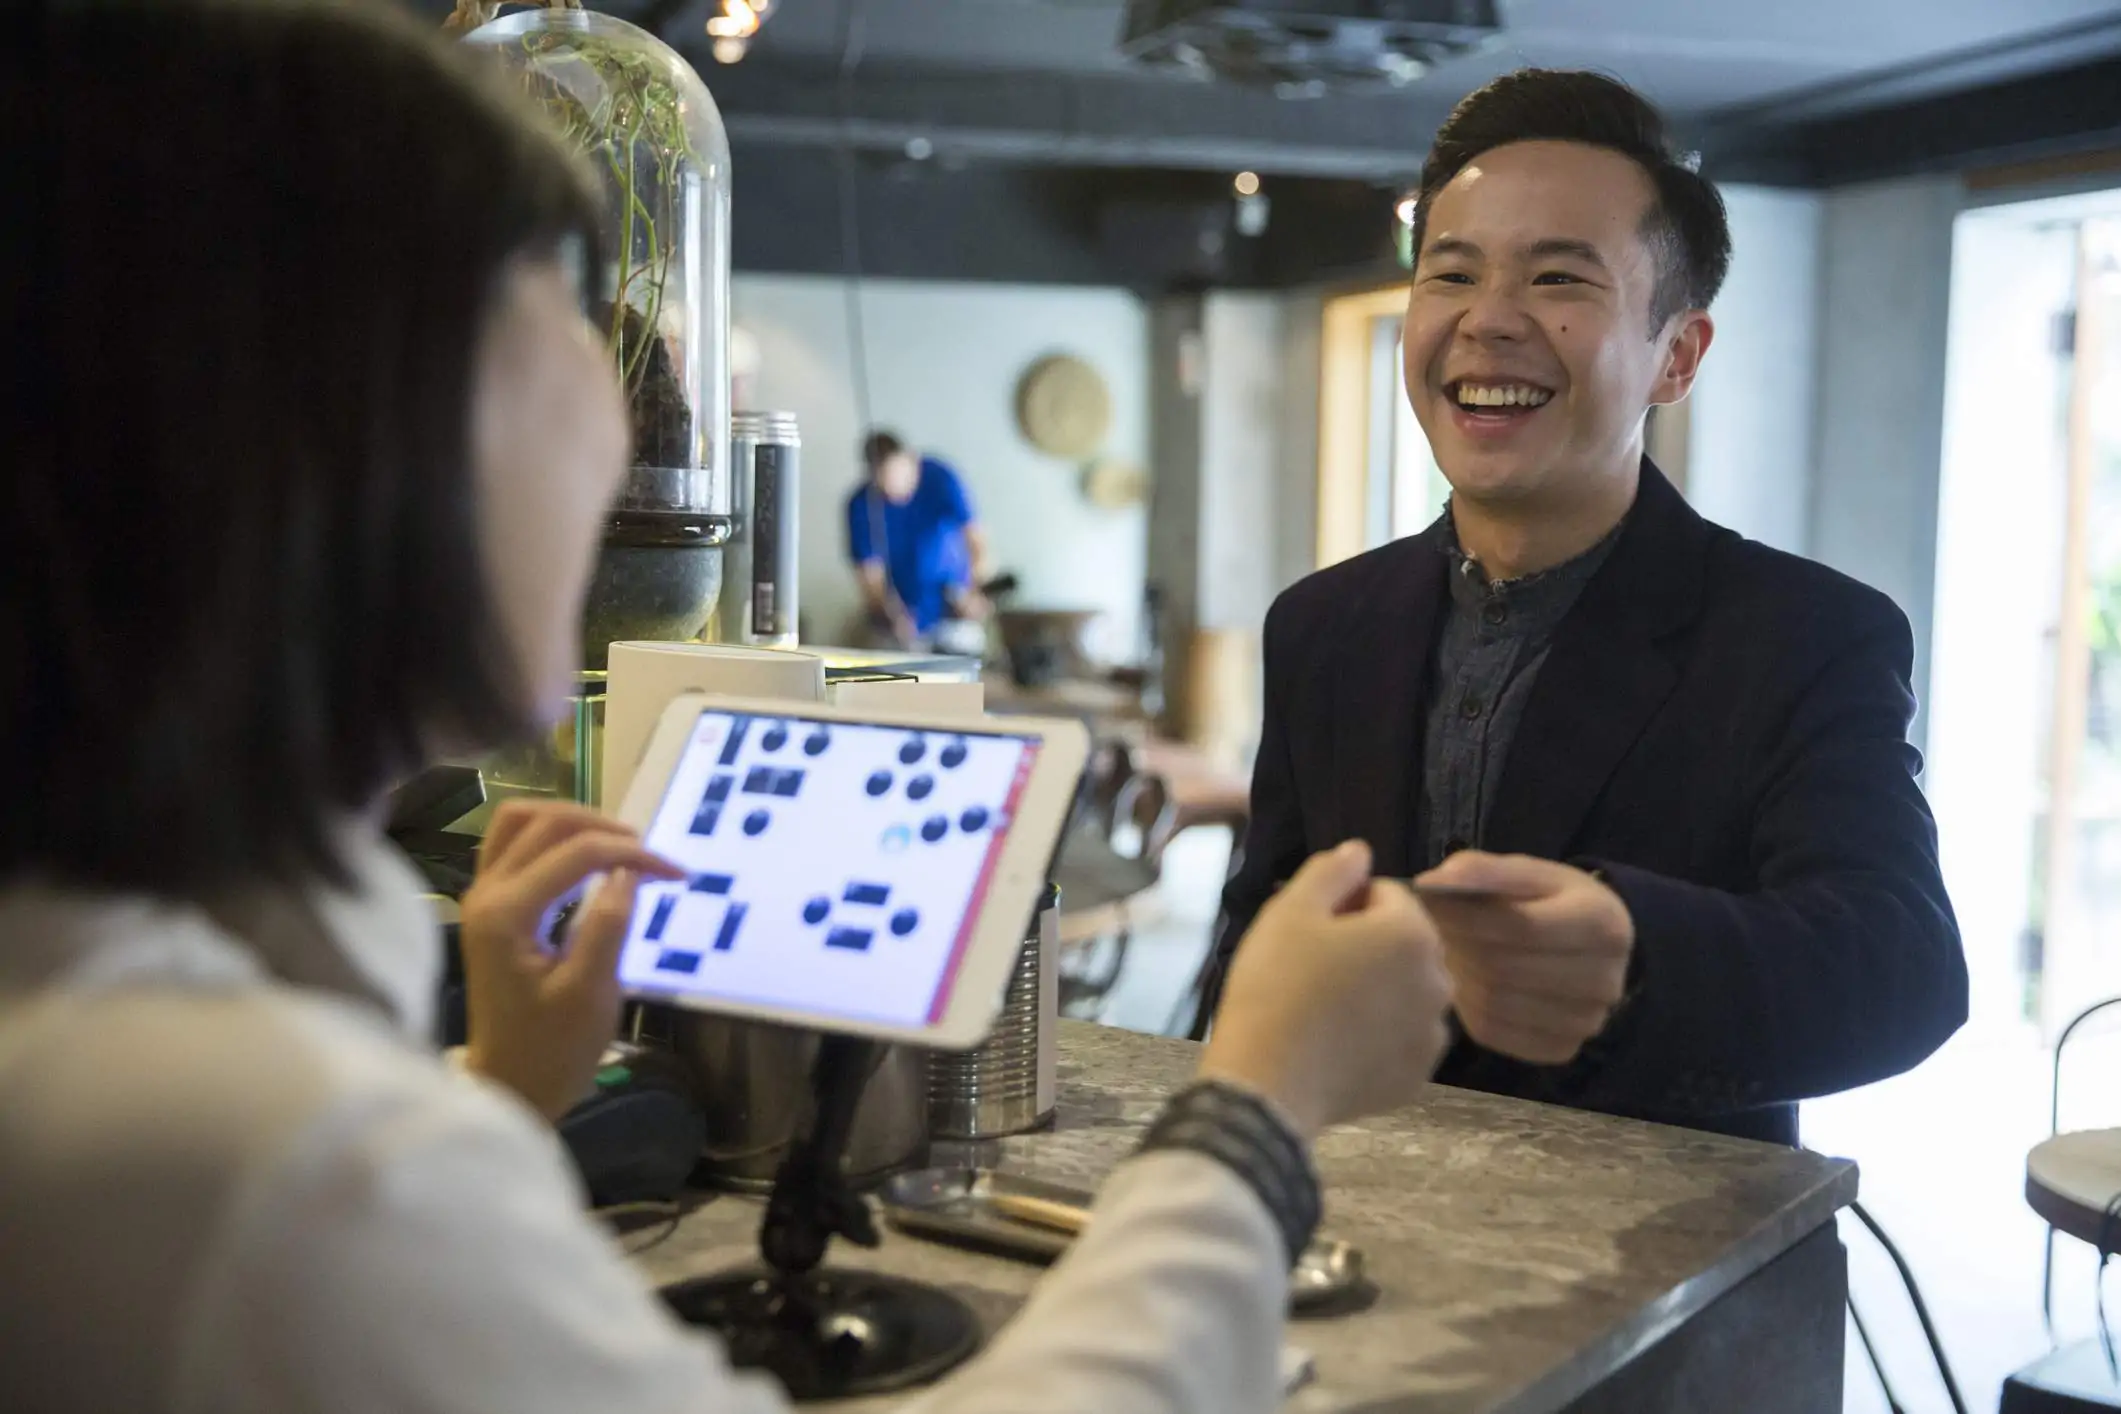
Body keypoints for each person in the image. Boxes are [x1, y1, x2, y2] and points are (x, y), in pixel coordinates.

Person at [0, 4, 1456, 1412]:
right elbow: (304, 1228)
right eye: (550, 307)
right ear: (333, 439)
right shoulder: (254, 1154)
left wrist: (498, 1097)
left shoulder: (153, 1047)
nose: (630, 410)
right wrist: (1256, 1108)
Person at [1197, 69, 1968, 1148]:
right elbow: (1258, 939)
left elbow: (1903, 965)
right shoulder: (1324, 622)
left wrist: (1639, 957)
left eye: (1559, 280)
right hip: (1344, 1230)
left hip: (1657, 1267)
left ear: (1677, 355)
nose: (1488, 323)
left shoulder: (1802, 634)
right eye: (1450, 274)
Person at [846, 430, 992, 649]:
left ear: (910, 459)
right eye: (884, 481)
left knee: (964, 671)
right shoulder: (861, 506)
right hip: (902, 620)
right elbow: (870, 577)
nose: (894, 490)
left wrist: (976, 592)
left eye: (899, 477)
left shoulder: (941, 478)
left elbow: (976, 542)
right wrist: (891, 613)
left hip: (954, 607)